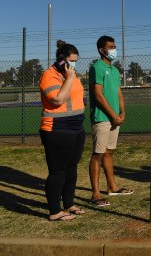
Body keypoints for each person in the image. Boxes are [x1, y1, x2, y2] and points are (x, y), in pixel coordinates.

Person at [39, 40, 86, 221]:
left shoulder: (72, 75)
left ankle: (69, 204)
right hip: (56, 129)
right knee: (58, 171)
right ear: (61, 60)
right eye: (71, 61)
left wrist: (71, 77)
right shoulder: (49, 76)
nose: (73, 65)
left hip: (76, 128)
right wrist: (69, 78)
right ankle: (55, 211)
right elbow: (58, 100)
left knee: (71, 168)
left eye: (75, 61)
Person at [88, 35, 132, 207]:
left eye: (115, 46)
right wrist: (112, 115)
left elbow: (119, 92)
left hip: (115, 119)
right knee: (97, 154)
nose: (114, 49)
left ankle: (112, 187)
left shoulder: (114, 70)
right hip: (102, 118)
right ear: (102, 50)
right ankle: (95, 193)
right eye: (111, 47)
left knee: (109, 152)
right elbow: (98, 95)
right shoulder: (96, 68)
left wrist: (122, 111)